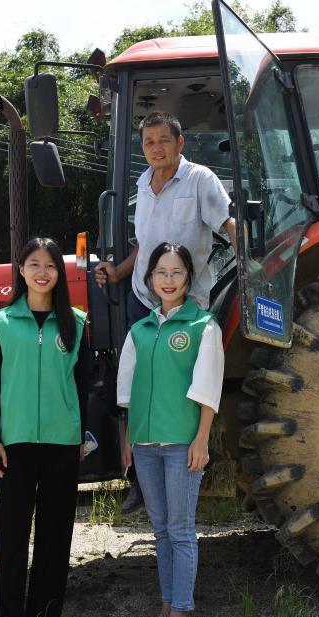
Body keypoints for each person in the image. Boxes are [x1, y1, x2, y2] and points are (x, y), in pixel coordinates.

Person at [94, 110, 234, 512]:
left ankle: (188, 471)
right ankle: (140, 478)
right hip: (144, 298)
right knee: (140, 385)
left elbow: (226, 223)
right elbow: (144, 244)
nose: (156, 148)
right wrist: (118, 272)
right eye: (149, 142)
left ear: (180, 143)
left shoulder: (199, 179)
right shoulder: (143, 183)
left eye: (163, 141)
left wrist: (252, 259)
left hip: (185, 304)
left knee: (176, 391)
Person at [0, 237, 90, 617]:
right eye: (34, 264)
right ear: (22, 270)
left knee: (55, 534)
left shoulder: (76, 323)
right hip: (15, 444)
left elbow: (83, 385)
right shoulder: (3, 321)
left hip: (63, 443)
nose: (42, 272)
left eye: (50, 265)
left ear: (59, 273)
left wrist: (81, 437)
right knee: (12, 536)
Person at [116, 242, 225, 617]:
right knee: (160, 531)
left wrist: (202, 439)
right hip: (145, 445)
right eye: (161, 272)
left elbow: (208, 389)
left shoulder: (203, 326)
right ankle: (166, 608)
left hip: (182, 444)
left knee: (180, 531)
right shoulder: (140, 331)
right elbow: (128, 390)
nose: (168, 279)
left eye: (176, 272)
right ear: (149, 279)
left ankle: (181, 615)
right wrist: (128, 439)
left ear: (188, 278)